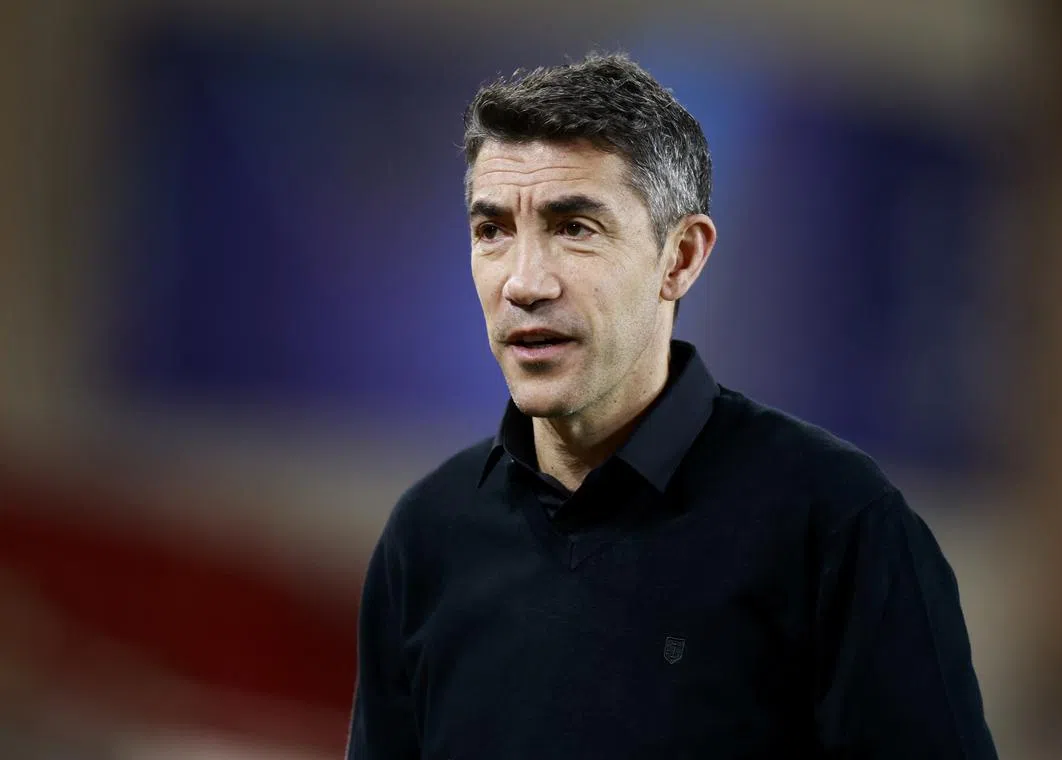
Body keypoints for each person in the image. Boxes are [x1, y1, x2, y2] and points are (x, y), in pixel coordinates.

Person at [347, 53, 998, 759]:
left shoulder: (837, 526)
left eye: (575, 227)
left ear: (681, 256)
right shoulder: (427, 537)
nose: (524, 282)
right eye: (492, 231)